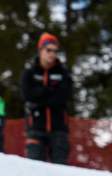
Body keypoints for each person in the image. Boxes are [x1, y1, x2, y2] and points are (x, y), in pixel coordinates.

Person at [20, 32, 73, 164]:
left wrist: (38, 101)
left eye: (55, 51)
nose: (52, 54)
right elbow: (27, 95)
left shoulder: (64, 73)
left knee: (61, 169)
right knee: (35, 168)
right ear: (40, 50)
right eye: (49, 50)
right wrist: (48, 89)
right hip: (35, 128)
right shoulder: (29, 73)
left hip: (59, 128)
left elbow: (63, 96)